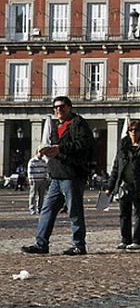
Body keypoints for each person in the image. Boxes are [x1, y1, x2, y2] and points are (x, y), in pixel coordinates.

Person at [22, 96, 94, 255]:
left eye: (61, 106)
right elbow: (54, 147)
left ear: (69, 107)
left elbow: (83, 145)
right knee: (47, 210)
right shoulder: (55, 126)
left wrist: (60, 149)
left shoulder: (78, 124)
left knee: (74, 211)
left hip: (72, 175)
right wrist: (45, 150)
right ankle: (41, 243)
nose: (58, 110)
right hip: (56, 175)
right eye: (55, 107)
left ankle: (79, 245)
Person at [106, 119, 140, 250]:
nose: (134, 132)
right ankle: (125, 239)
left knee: (139, 213)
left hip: (138, 185)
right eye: (131, 130)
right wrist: (110, 187)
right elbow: (116, 168)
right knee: (124, 214)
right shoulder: (122, 147)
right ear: (128, 132)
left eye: (137, 130)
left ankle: (138, 240)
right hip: (124, 184)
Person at [27, 147, 49, 215]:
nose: (41, 154)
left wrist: (46, 177)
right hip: (35, 180)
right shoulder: (32, 161)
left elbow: (46, 170)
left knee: (41, 195)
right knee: (33, 195)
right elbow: (29, 170)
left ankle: (40, 208)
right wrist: (30, 179)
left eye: (42, 152)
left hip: (42, 180)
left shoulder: (43, 161)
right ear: (37, 153)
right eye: (40, 152)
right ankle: (32, 208)